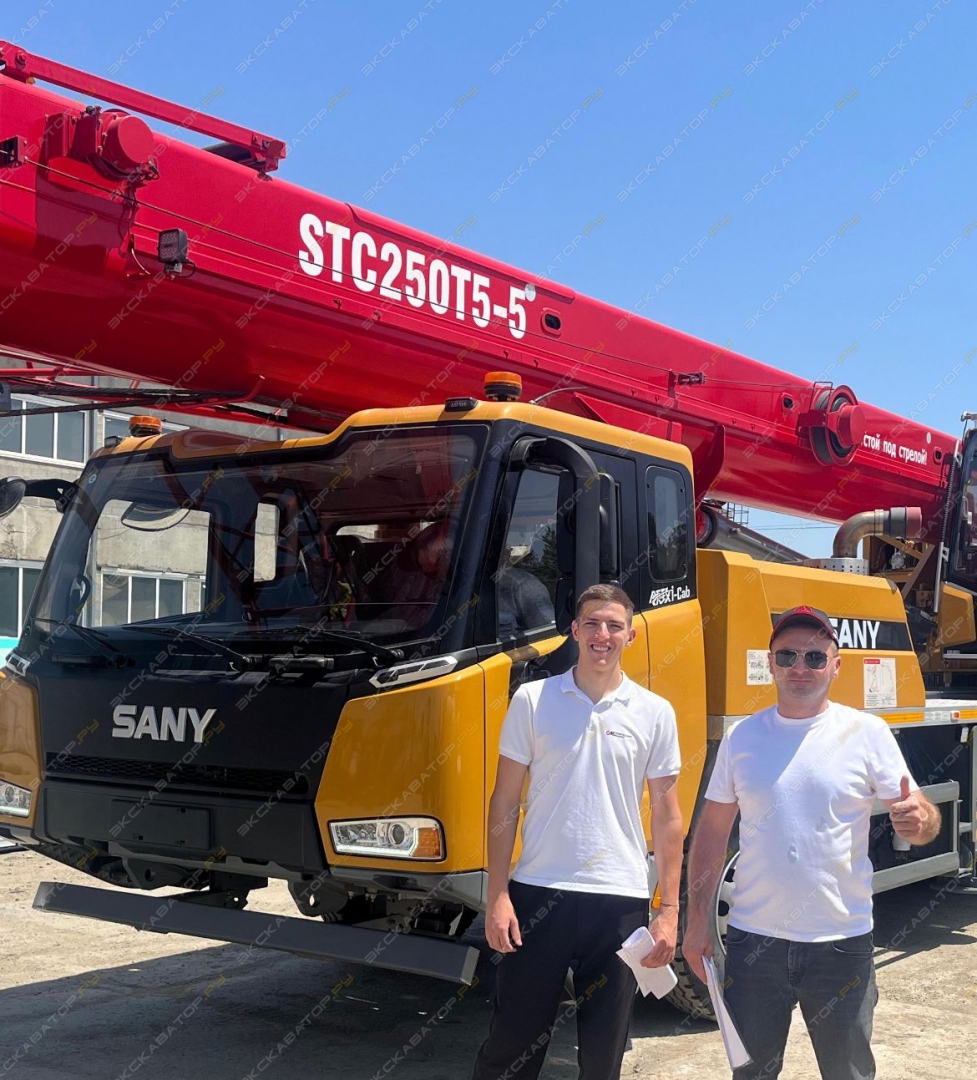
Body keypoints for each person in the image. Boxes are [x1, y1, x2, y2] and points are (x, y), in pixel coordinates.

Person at [683, 605, 941, 1080]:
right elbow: (713, 832)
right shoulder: (742, 737)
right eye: (787, 656)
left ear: (836, 666)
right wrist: (697, 920)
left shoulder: (866, 733)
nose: (800, 667)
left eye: (815, 657)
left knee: (848, 1073)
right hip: (754, 944)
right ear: (771, 663)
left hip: (840, 944)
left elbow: (922, 817)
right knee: (751, 1074)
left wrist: (919, 822)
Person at [472, 583, 684, 1080]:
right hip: (537, 893)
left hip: (619, 900)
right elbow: (504, 800)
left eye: (614, 626)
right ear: (574, 630)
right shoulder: (532, 699)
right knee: (511, 1044)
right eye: (592, 623)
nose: (602, 635)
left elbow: (669, 816)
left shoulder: (655, 712)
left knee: (604, 1053)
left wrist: (669, 910)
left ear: (631, 635)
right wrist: (497, 894)